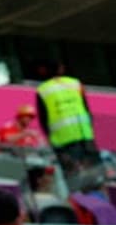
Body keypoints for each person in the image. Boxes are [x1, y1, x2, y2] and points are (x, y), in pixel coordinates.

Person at [35, 61, 101, 189]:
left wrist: (51, 140)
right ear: (61, 69)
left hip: (63, 142)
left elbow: (44, 119)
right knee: (96, 177)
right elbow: (87, 109)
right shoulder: (75, 83)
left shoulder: (43, 90)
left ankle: (80, 204)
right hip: (85, 136)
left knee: (74, 180)